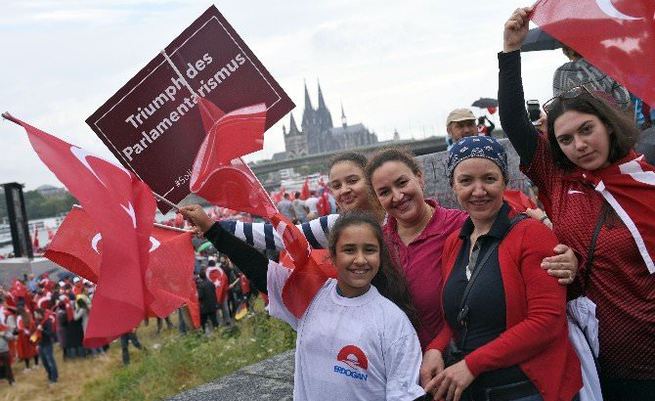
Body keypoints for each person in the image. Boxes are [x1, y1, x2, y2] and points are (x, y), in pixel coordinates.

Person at [500, 7, 655, 400]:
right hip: (595, 361)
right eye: (565, 139)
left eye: (587, 130)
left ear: (607, 123)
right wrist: (510, 52)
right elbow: (516, 123)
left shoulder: (646, 180)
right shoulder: (559, 177)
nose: (579, 145)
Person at [181, 207, 427, 400]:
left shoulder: (394, 324)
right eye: (349, 250)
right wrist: (212, 229)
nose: (360, 260)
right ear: (332, 254)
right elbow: (257, 268)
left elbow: (405, 394)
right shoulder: (311, 297)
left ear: (380, 255)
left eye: (370, 250)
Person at [365, 148, 578, 349]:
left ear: (420, 178)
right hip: (405, 371)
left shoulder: (462, 227)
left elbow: (519, 234)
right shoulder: (377, 244)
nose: (397, 196)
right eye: (384, 192)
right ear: (376, 198)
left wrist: (568, 254)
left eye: (402, 183)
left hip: (460, 360)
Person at [421, 136, 581, 401]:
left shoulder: (532, 234)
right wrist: (436, 348)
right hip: (478, 390)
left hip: (527, 388)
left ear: (505, 181)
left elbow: (546, 322)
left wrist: (472, 365)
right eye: (466, 181)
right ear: (453, 186)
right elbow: (461, 316)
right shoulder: (454, 242)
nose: (478, 190)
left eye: (489, 178)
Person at [553, 46, 630, 112]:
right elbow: (623, 100)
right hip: (611, 121)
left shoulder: (561, 73)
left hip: (581, 125)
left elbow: (558, 105)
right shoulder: (606, 65)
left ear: (567, 50)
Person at [34, 308, 58, 385]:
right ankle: (50, 376)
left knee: (50, 362)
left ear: (40, 314)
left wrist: (42, 330)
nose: (35, 316)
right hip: (40, 344)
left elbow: (50, 334)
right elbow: (36, 333)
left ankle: (54, 378)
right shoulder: (37, 322)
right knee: (44, 362)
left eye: (36, 314)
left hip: (47, 344)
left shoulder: (47, 322)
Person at [195, 269, 219, 333]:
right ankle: (217, 331)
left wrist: (197, 295)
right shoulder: (211, 283)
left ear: (200, 277)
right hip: (212, 304)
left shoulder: (200, 285)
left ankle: (203, 332)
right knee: (214, 320)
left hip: (204, 307)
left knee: (203, 321)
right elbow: (214, 292)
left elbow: (200, 296)